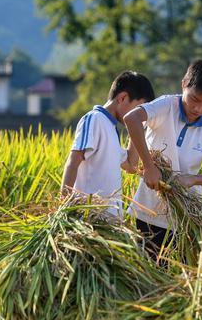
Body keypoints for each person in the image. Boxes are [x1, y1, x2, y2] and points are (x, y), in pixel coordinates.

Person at [124, 59, 202, 261]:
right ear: (184, 84)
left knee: (179, 278)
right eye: (194, 99)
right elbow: (131, 119)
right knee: (147, 273)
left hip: (185, 219)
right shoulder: (166, 105)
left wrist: (193, 179)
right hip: (147, 212)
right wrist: (150, 167)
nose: (198, 108)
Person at [61, 70, 155, 219]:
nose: (139, 116)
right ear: (123, 98)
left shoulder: (112, 129)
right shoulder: (95, 119)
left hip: (108, 221)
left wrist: (136, 126)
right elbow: (73, 161)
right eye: (138, 109)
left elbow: (131, 165)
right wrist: (63, 204)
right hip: (88, 217)